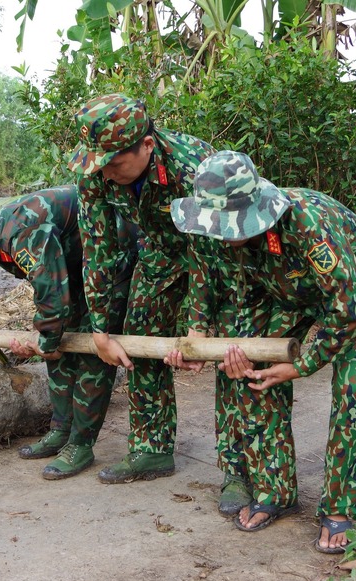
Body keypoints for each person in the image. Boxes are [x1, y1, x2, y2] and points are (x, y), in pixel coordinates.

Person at [166, 150, 356, 553]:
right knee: (251, 373)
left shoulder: (307, 224)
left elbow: (349, 309)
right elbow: (213, 280)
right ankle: (276, 490)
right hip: (285, 294)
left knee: (351, 393)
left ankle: (340, 507)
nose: (222, 234)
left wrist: (301, 365)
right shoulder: (217, 231)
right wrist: (201, 340)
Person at [0, 187, 136, 479]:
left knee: (92, 349)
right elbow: (51, 294)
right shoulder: (1, 244)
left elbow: (51, 294)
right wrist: (47, 339)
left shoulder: (21, 231)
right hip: (79, 269)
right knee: (58, 342)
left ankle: (81, 444)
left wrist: (46, 340)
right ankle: (61, 430)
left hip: (115, 259)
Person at [67, 93, 216, 483]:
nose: (105, 173)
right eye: (99, 164)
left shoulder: (193, 168)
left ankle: (241, 471)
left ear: (147, 146)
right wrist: (99, 328)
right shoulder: (96, 171)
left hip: (220, 258)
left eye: (114, 163)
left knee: (230, 353)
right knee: (140, 336)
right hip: (160, 253)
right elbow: (97, 248)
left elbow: (206, 250)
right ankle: (152, 451)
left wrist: (198, 325)